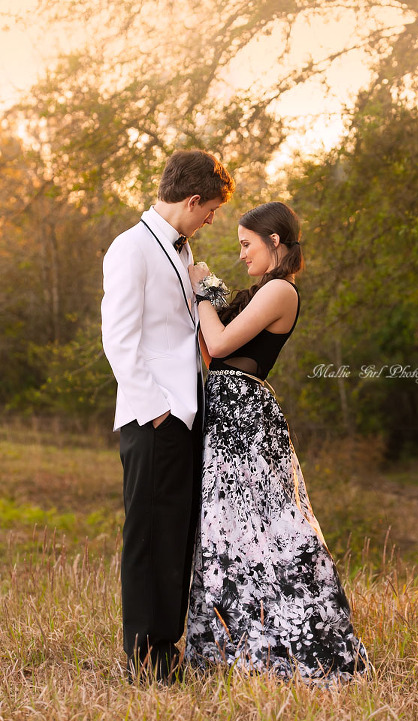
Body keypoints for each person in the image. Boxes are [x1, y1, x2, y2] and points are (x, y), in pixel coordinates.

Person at [185, 201, 369, 685]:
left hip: (247, 420)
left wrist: (201, 282)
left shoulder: (282, 291)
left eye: (247, 245)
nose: (242, 254)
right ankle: (240, 651)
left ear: (275, 242)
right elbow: (216, 336)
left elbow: (221, 344)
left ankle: (308, 645)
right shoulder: (260, 292)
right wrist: (205, 293)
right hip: (228, 419)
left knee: (273, 529)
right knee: (228, 531)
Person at [101, 149, 234, 682]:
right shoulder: (129, 248)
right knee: (150, 536)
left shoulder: (182, 252)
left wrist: (205, 280)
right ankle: (144, 660)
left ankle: (167, 649)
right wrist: (157, 413)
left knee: (176, 535)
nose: (212, 220)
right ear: (193, 199)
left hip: (186, 413)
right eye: (212, 211)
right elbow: (119, 341)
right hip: (152, 418)